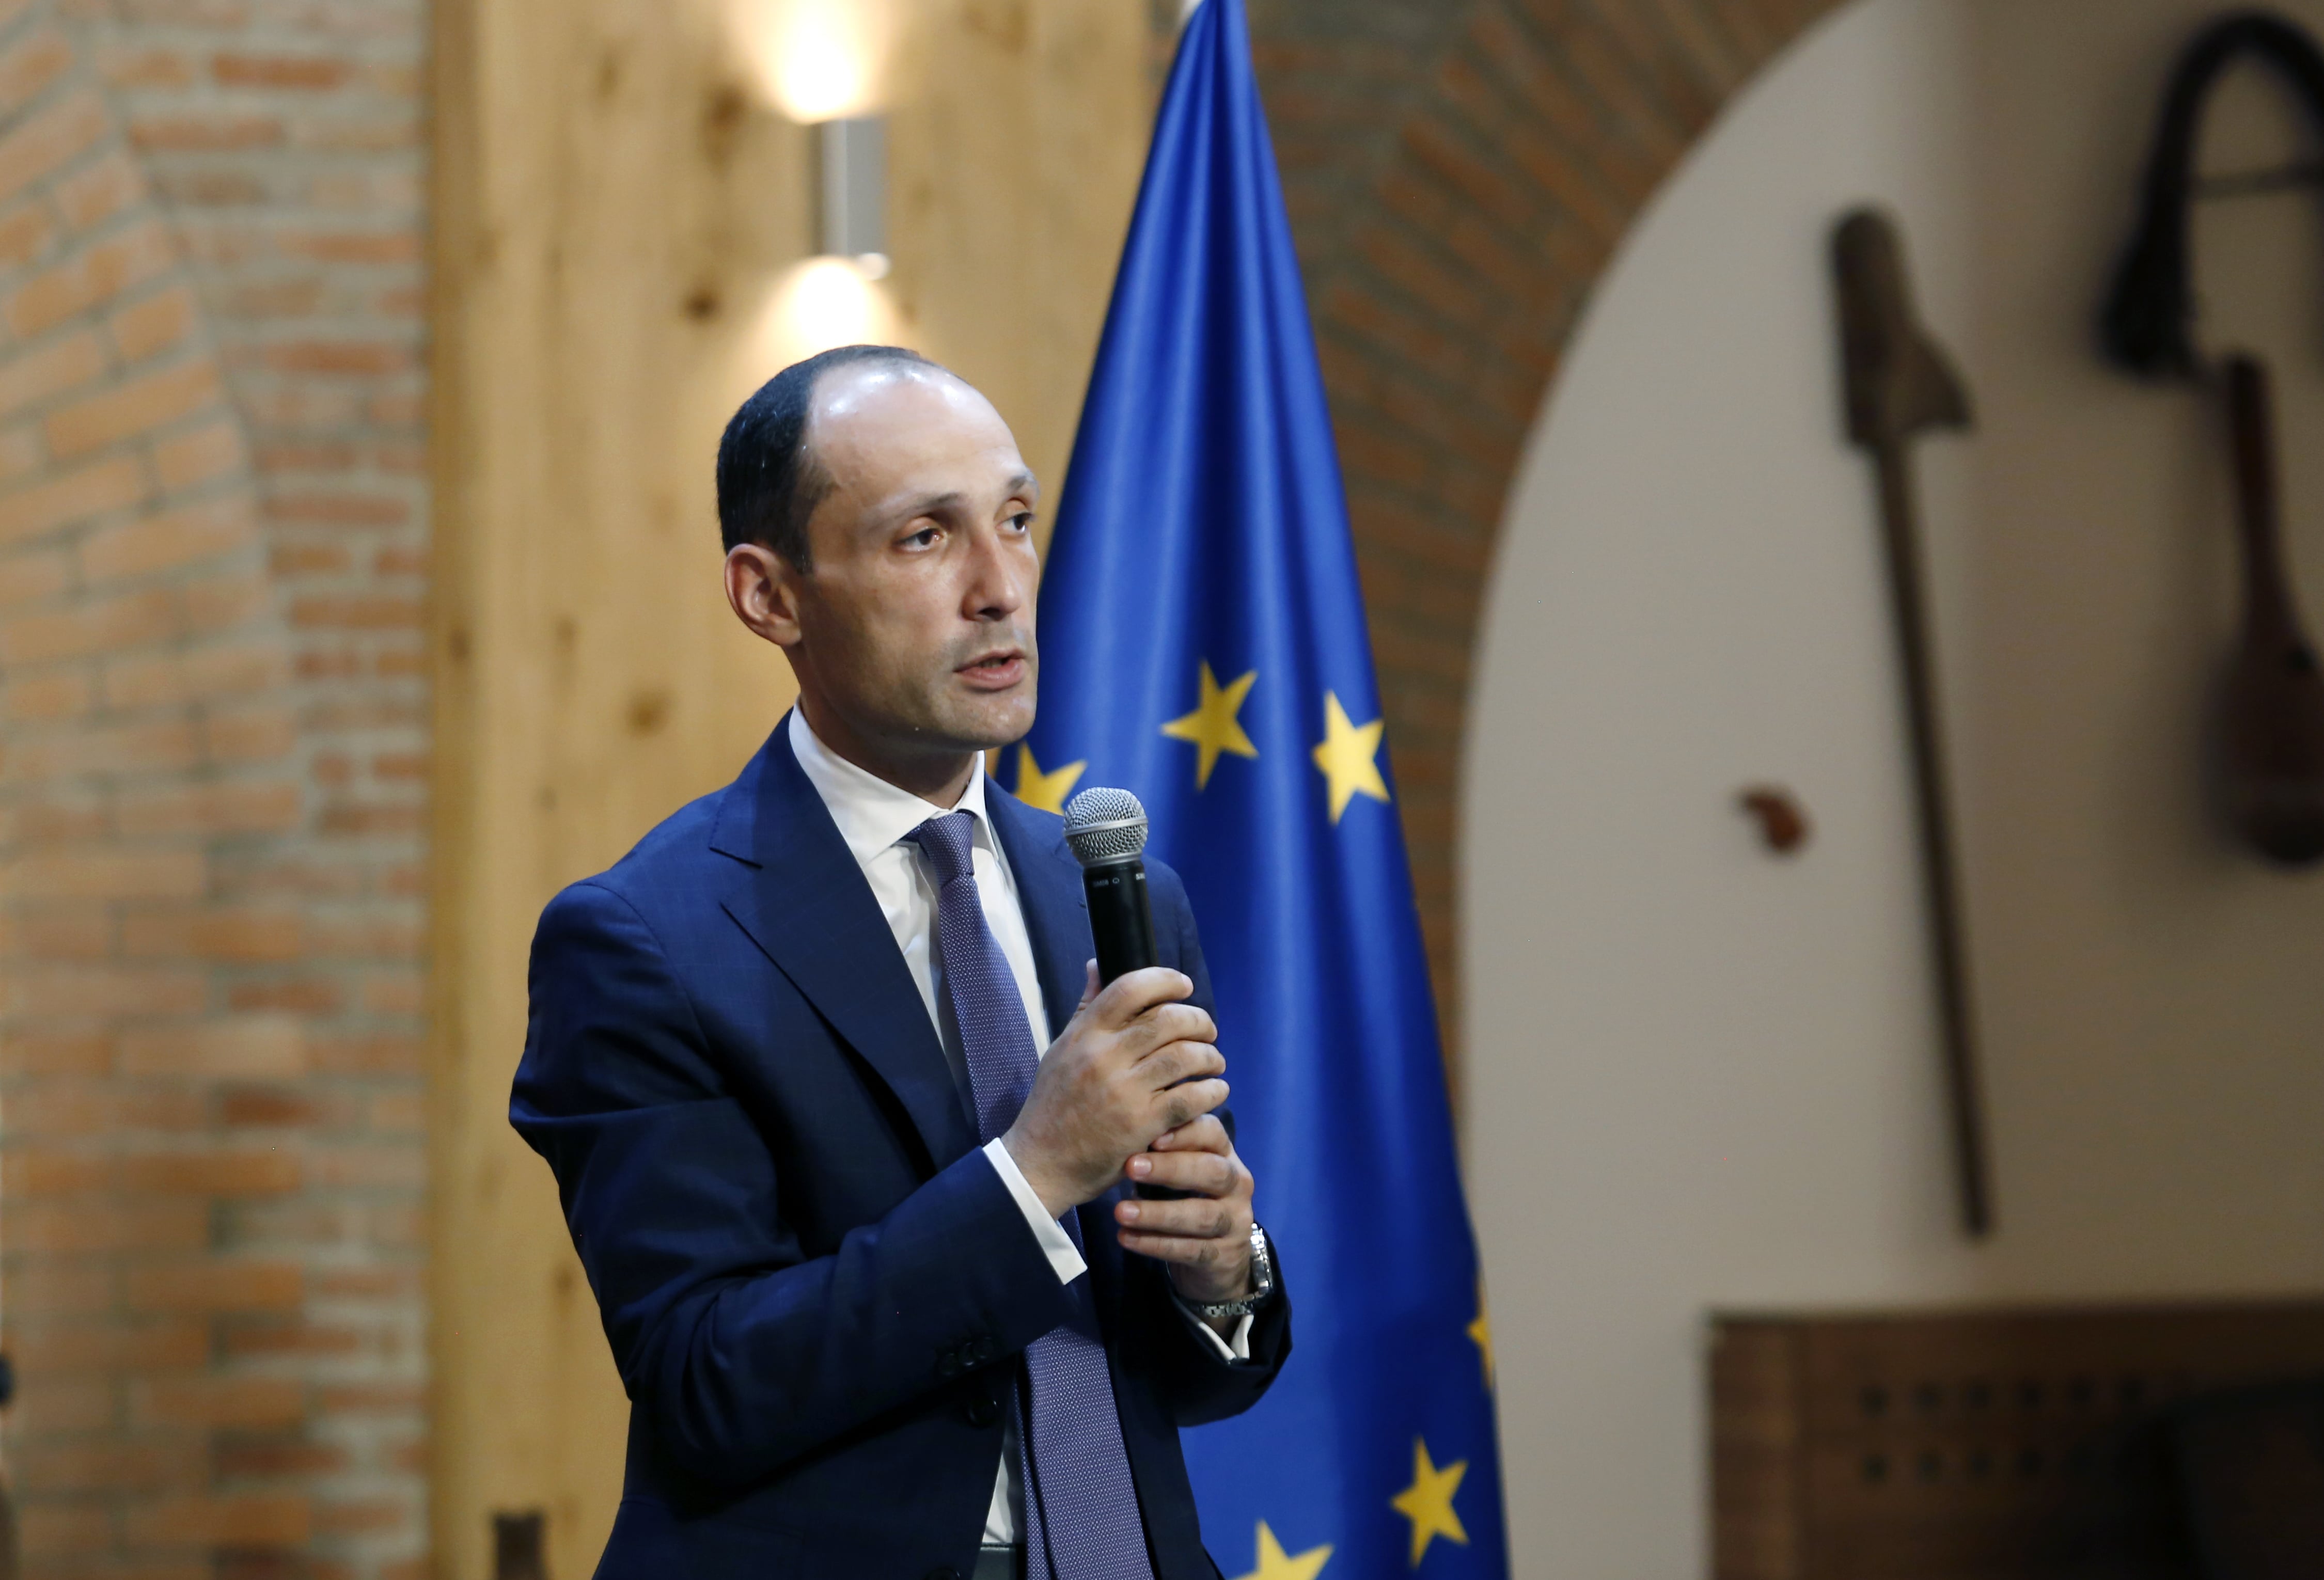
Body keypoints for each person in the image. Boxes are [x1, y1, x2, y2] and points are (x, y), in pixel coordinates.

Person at [510, 344, 1292, 1579]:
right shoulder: (643, 941)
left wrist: (1218, 1273)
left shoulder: (1119, 895)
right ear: (771, 597)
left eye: (1016, 522)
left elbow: (1178, 1380)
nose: (1000, 589)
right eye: (925, 538)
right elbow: (708, 1384)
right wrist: (1036, 1172)